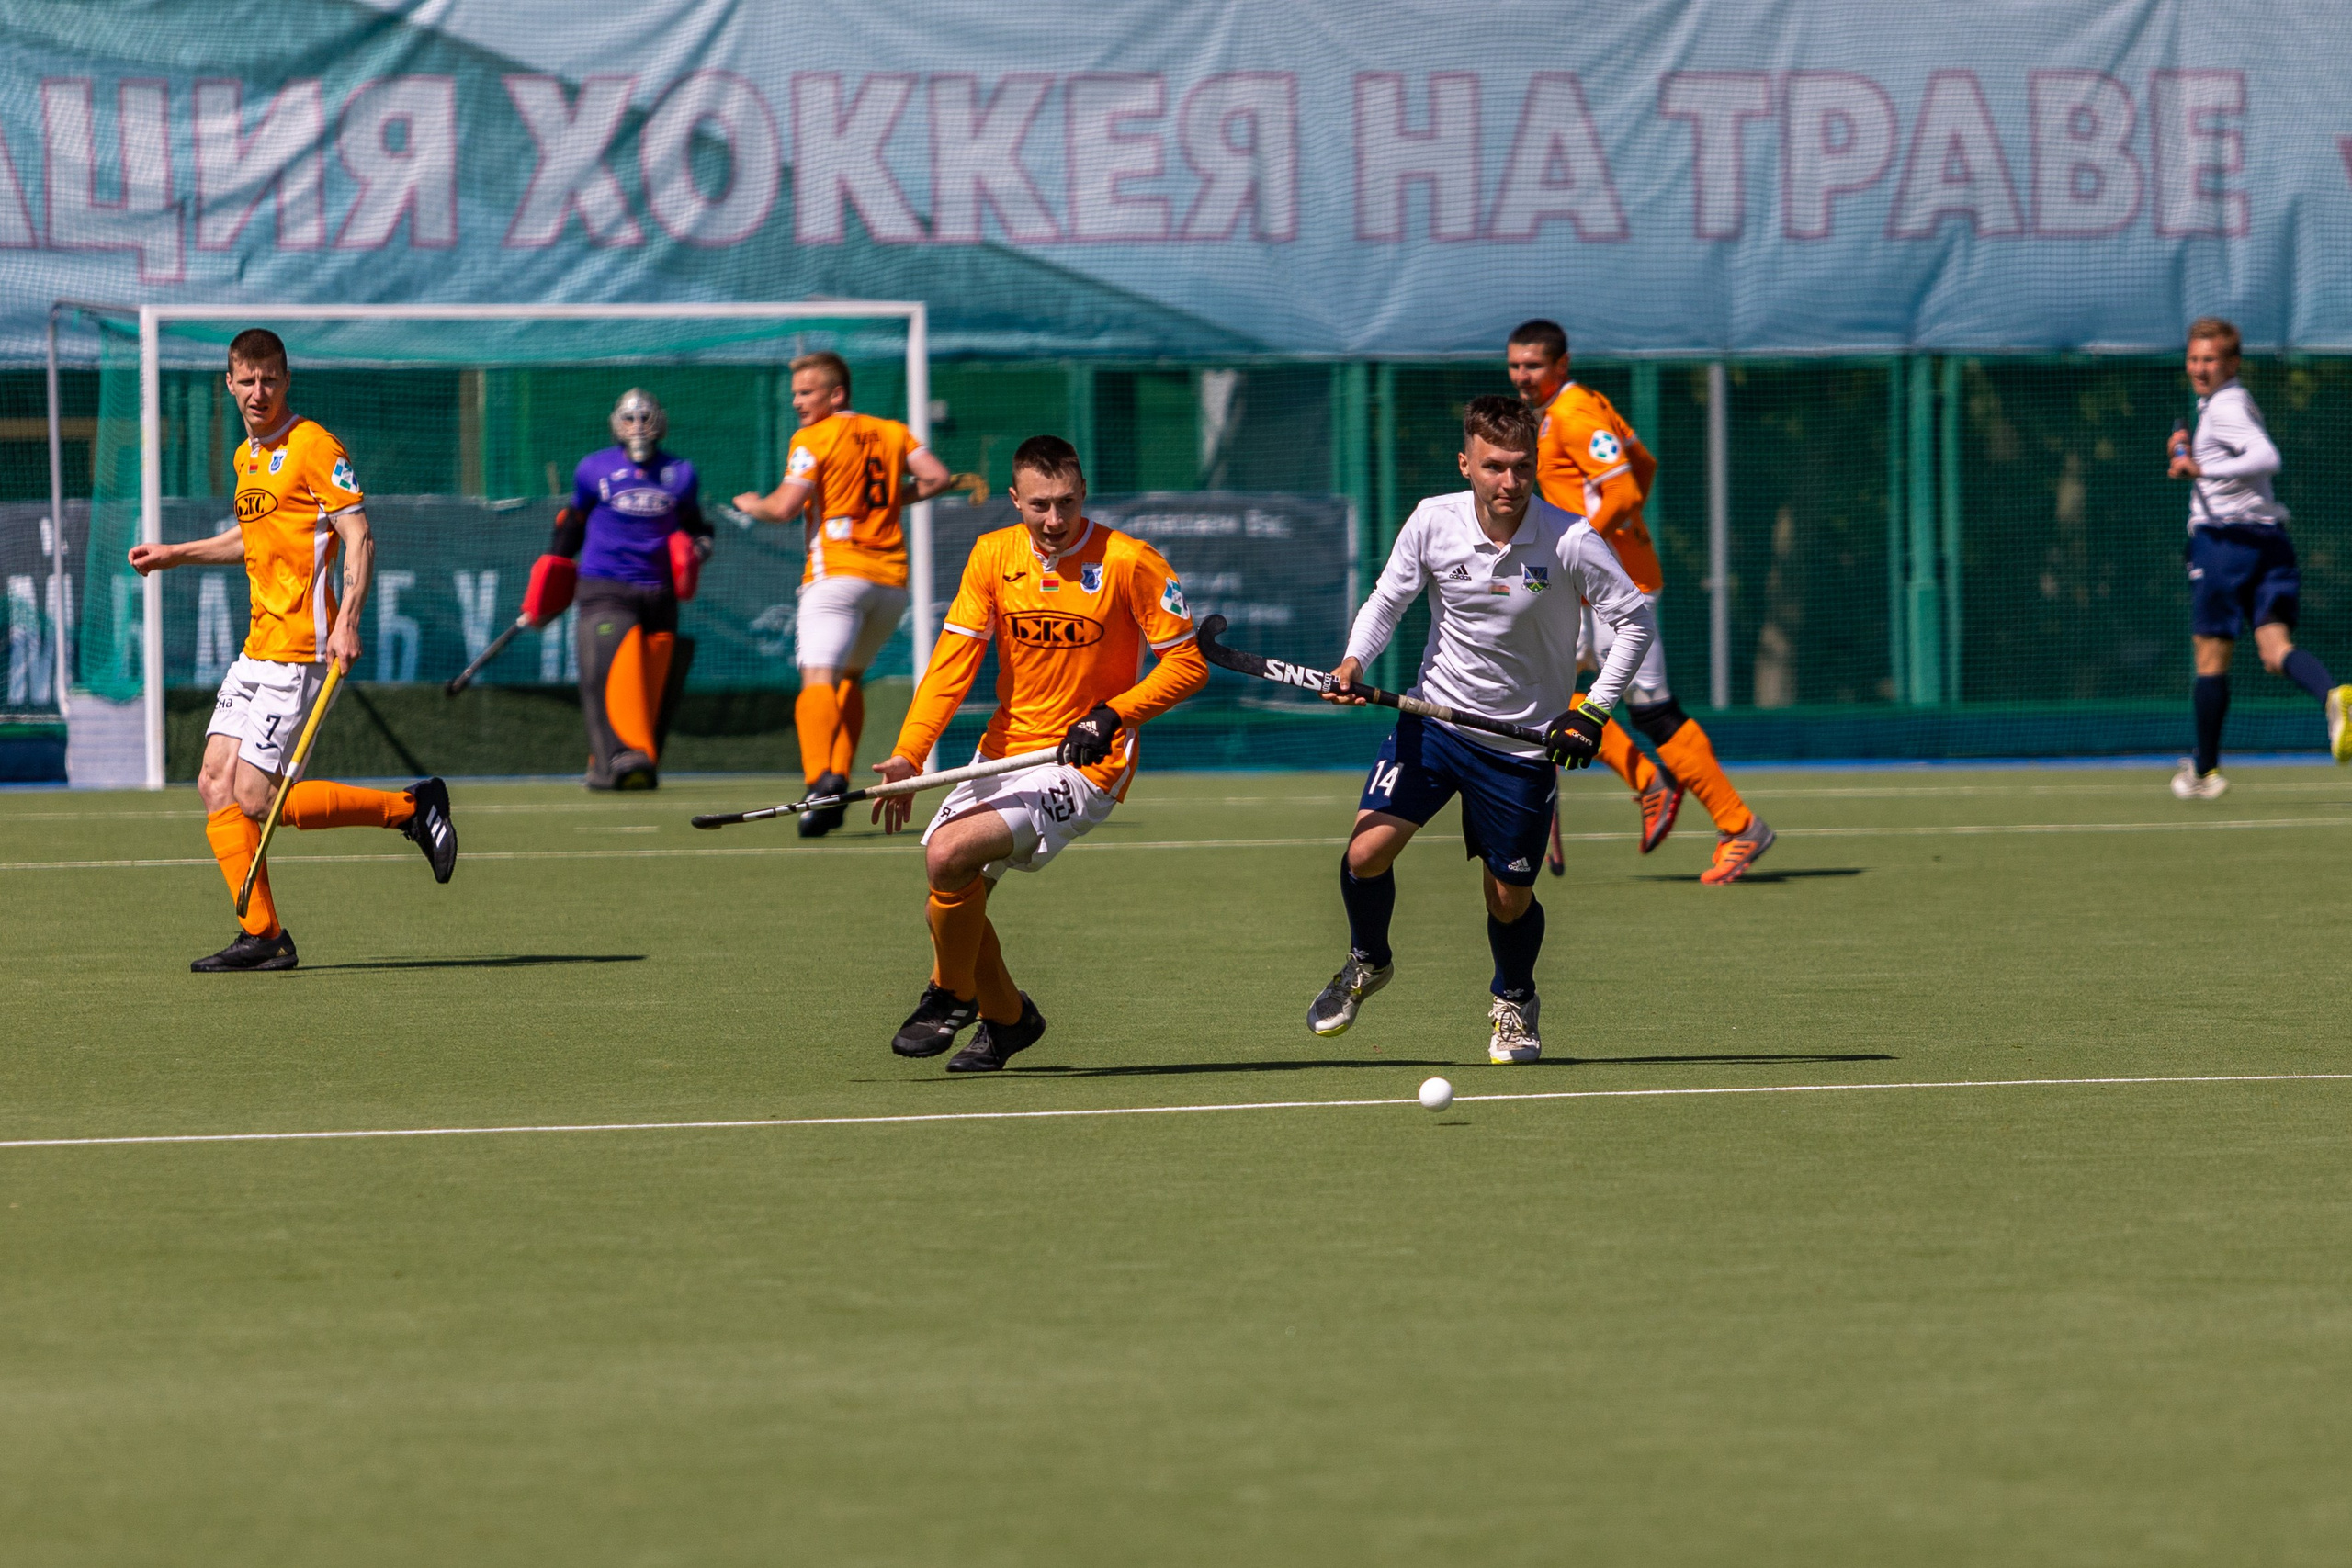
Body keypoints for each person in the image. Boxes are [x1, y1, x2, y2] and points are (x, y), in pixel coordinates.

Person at [1309, 395, 1657, 1065]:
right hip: (1433, 720)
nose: (1508, 482)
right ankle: (1366, 959)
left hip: (1522, 747)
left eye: (1521, 467)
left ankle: (1515, 998)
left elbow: (1635, 620)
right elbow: (1389, 598)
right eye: (1494, 466)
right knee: (1364, 854)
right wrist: (1355, 660)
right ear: (1466, 463)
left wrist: (1591, 710)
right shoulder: (1432, 521)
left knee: (1508, 898)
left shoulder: (1570, 539)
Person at [871, 435, 1205, 1072]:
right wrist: (910, 755)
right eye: (1041, 506)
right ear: (1015, 499)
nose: (1056, 521)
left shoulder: (1131, 561)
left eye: (1068, 504)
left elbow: (1187, 666)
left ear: (1084, 494)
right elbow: (951, 665)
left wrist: (1113, 714)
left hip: (1087, 761)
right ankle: (1008, 1018)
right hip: (1003, 750)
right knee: (949, 891)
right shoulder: (991, 555)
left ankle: (949, 993)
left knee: (948, 853)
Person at [127, 327, 456, 972]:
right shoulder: (247, 456)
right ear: (229, 383)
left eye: (269, 379)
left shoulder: (313, 445)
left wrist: (348, 620)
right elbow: (252, 540)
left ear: (286, 379)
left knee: (256, 796)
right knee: (214, 784)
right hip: (257, 647)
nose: (258, 391)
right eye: (246, 380)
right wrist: (175, 554)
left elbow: (358, 536)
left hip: (303, 649)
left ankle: (413, 809)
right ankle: (264, 935)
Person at [1506, 319, 1775, 884]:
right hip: (1599, 582)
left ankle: (1739, 826)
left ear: (1562, 365)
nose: (1523, 376)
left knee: (1651, 707)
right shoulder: (1573, 409)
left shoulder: (1574, 414)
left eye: (1533, 366)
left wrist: (1584, 550)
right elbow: (1642, 463)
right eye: (1515, 365)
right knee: (1546, 685)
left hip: (1615, 587)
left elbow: (1624, 489)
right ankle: (1648, 784)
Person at [732, 351, 984, 834]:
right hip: (890, 584)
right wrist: (894, 497)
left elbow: (786, 507)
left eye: (807, 392)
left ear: (837, 394)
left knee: (818, 678)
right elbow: (933, 476)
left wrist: (753, 505)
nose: (798, 403)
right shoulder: (891, 431)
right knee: (849, 677)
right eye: (796, 395)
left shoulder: (813, 438)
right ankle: (836, 785)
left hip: (837, 576)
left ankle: (817, 782)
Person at [2165, 317, 2352, 797]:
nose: (2201, 368)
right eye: (2194, 358)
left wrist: (2200, 467)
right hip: (2270, 543)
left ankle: (2205, 771)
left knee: (2210, 658)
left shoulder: (2226, 407)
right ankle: (2332, 696)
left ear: (2233, 364)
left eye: (2211, 360)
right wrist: (2189, 450)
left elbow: (2266, 457)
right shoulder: (2224, 406)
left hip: (2228, 544)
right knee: (2274, 652)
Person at [519, 389, 713, 790]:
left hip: (660, 593)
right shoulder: (594, 469)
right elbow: (571, 526)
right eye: (629, 418)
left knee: (652, 685)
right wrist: (548, 583)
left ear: (660, 421)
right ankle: (622, 758)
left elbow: (697, 526)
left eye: (646, 418)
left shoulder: (681, 473)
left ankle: (615, 763)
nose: (638, 426)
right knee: (608, 673)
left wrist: (699, 548)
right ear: (616, 424)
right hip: (604, 587)